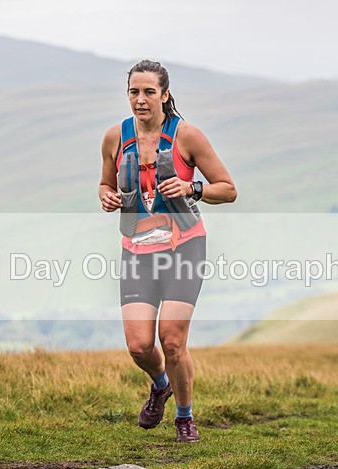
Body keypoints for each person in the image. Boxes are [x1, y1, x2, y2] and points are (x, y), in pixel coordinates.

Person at [99, 60, 237, 442]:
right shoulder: (115, 138)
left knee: (172, 341)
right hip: (137, 249)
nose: (140, 100)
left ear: (165, 94)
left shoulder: (188, 137)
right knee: (140, 345)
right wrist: (108, 197)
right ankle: (161, 384)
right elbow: (104, 185)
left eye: (148, 92)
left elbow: (227, 189)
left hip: (184, 246)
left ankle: (184, 417)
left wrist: (192, 189)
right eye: (133, 92)